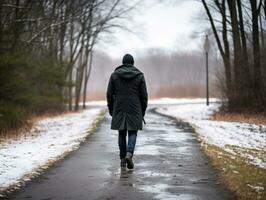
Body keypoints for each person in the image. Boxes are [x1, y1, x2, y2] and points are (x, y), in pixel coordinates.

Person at [106, 54, 148, 170]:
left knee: (121, 132)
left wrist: (111, 109)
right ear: (133, 63)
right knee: (133, 132)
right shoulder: (139, 76)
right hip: (135, 107)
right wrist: (142, 111)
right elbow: (144, 96)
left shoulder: (114, 75)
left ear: (123, 62)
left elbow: (109, 94)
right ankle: (129, 154)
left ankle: (122, 159)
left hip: (119, 107)